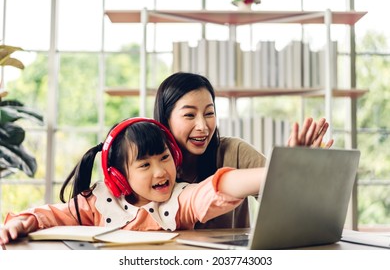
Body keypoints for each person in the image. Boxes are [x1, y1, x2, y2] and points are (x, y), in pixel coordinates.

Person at [0, 117, 269, 245]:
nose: (161, 171)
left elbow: (214, 189)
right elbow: (52, 215)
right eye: (144, 165)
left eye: (165, 158)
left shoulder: (180, 198)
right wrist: (23, 221)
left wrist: (266, 175)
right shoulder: (98, 202)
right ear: (118, 176)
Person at [154, 71, 334, 228]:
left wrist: (294, 165)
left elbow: (287, 203)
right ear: (165, 119)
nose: (202, 126)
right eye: (189, 115)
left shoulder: (234, 151)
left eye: (209, 113)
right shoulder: (148, 164)